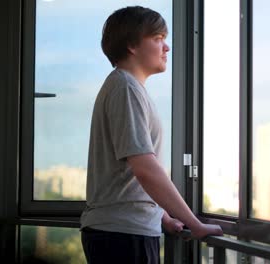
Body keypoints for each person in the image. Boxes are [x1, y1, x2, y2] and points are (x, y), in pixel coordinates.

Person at [80, 6, 223, 264]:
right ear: (132, 45)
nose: (166, 47)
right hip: (121, 235)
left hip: (122, 231)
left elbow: (125, 177)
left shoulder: (128, 87)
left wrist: (163, 217)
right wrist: (195, 223)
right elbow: (144, 168)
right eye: (158, 39)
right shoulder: (125, 88)